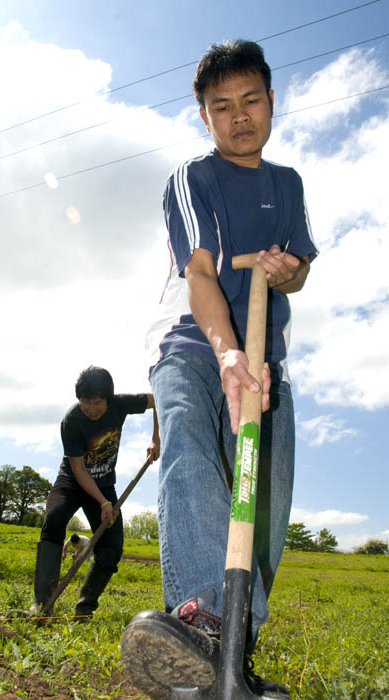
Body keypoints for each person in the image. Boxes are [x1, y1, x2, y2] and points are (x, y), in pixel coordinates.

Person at [121, 39, 318, 699]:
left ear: (269, 102)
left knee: (261, 496)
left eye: (250, 101)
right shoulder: (193, 178)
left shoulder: (286, 185)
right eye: (221, 107)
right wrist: (228, 352)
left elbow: (295, 267)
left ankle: (233, 650)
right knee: (188, 440)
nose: (238, 117)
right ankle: (204, 620)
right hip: (192, 342)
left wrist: (288, 271)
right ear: (204, 116)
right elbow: (200, 271)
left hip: (264, 359)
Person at [30, 365, 159, 620]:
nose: (90, 409)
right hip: (72, 481)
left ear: (108, 399)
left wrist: (156, 437)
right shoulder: (72, 421)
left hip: (103, 484)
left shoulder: (120, 405)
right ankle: (42, 603)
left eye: (97, 403)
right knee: (54, 518)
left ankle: (85, 608)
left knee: (112, 548)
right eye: (85, 402)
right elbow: (78, 470)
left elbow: (158, 400)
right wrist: (103, 503)